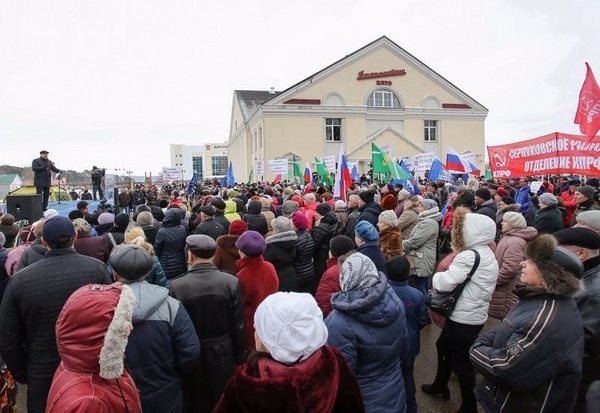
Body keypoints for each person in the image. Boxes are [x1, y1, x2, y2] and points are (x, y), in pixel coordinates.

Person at [0, 216, 110, 413]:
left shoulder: (20, 280)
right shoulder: (97, 269)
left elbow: (8, 337)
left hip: (42, 371)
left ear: (43, 242)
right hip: (89, 366)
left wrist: (22, 372)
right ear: (74, 237)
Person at [470, 234, 584, 412]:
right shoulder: (538, 298)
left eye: (530, 261)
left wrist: (476, 349)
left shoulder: (545, 319)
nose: (522, 263)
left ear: (548, 273)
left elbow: (506, 368)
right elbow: (506, 327)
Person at [214, 292, 365, 412]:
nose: (255, 332)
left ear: (271, 340)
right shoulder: (332, 362)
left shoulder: (246, 386)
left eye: (259, 329)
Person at [422, 209, 498, 413]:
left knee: (461, 362)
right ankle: (440, 385)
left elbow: (445, 283)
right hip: (473, 314)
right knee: (443, 345)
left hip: (464, 317)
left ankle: (469, 405)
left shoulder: (469, 256)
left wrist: (436, 278)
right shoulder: (486, 251)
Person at [108, 244, 200, 413]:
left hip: (119, 395)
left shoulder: (102, 310)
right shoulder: (172, 306)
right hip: (165, 392)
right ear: (149, 273)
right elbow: (190, 352)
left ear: (115, 274)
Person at [169, 235, 245, 411]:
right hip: (224, 350)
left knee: (196, 399)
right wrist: (240, 355)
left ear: (190, 256)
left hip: (191, 353)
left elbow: (175, 328)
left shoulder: (176, 286)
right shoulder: (231, 281)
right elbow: (238, 324)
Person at [325, 252, 407, 413]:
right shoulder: (394, 300)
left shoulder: (339, 322)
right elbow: (404, 345)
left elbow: (340, 378)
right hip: (395, 387)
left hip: (363, 399)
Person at [45, 282, 141, 412]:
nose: (130, 328)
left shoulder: (82, 362)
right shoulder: (88, 403)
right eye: (120, 326)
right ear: (98, 337)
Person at [554, 227, 600, 412]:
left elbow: (581, 346)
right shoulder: (582, 275)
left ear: (581, 253)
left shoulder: (592, 293)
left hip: (575, 382)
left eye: (559, 251)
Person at [386, 256, 428, 413]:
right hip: (410, 344)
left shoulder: (384, 292)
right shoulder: (417, 295)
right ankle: (412, 407)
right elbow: (423, 319)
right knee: (408, 376)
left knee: (390, 377)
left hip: (390, 344)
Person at [235, 230, 279, 351]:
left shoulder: (242, 276)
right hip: (271, 320)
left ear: (242, 252)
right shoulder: (269, 267)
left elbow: (239, 305)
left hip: (252, 325)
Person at [489, 211, 538, 320]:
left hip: (505, 288)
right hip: (501, 285)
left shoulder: (516, 241)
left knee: (503, 319)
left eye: (505, 221)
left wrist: (494, 281)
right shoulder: (510, 237)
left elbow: (510, 269)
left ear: (513, 224)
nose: (502, 223)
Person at [402, 198, 441, 294]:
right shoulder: (427, 220)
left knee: (419, 287)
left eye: (421, 206)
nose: (418, 208)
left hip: (422, 258)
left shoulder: (428, 222)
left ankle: (422, 307)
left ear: (427, 209)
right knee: (419, 285)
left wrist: (402, 244)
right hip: (421, 257)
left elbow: (416, 241)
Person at [316, 236, 355, 317]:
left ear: (333, 253)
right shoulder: (355, 264)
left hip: (334, 317)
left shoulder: (332, 273)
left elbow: (323, 301)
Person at [264, 216, 298, 292]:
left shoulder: (270, 246)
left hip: (276, 277)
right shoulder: (293, 241)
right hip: (291, 275)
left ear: (276, 230)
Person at [311, 203, 339, 290]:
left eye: (317, 212)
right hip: (328, 254)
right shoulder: (333, 221)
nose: (314, 214)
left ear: (322, 214)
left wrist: (315, 228)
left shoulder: (322, 227)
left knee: (318, 280)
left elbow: (315, 244)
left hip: (320, 257)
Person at [155, 208, 188, 279]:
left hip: (166, 263)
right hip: (181, 262)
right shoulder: (182, 229)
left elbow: (157, 249)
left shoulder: (162, 232)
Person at [291, 211, 315, 293]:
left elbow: (293, 257)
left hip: (299, 273)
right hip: (308, 270)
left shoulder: (295, 239)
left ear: (295, 224)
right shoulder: (307, 234)